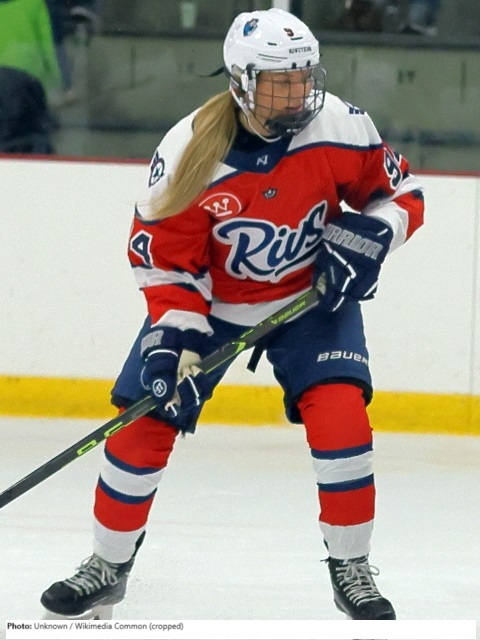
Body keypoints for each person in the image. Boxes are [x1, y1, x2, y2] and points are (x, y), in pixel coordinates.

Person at [40, 8, 424, 621]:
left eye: (304, 76)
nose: (297, 92)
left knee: (343, 422)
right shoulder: (190, 151)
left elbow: (400, 194)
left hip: (309, 301)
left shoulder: (341, 125)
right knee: (142, 425)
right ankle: (107, 565)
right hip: (213, 308)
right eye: (280, 81)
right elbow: (166, 261)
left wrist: (372, 235)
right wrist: (175, 337)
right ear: (242, 82)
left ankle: (351, 566)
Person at [0, 0, 61, 95]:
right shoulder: (35, 2)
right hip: (31, 73)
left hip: (3, 74)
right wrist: (55, 76)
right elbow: (46, 43)